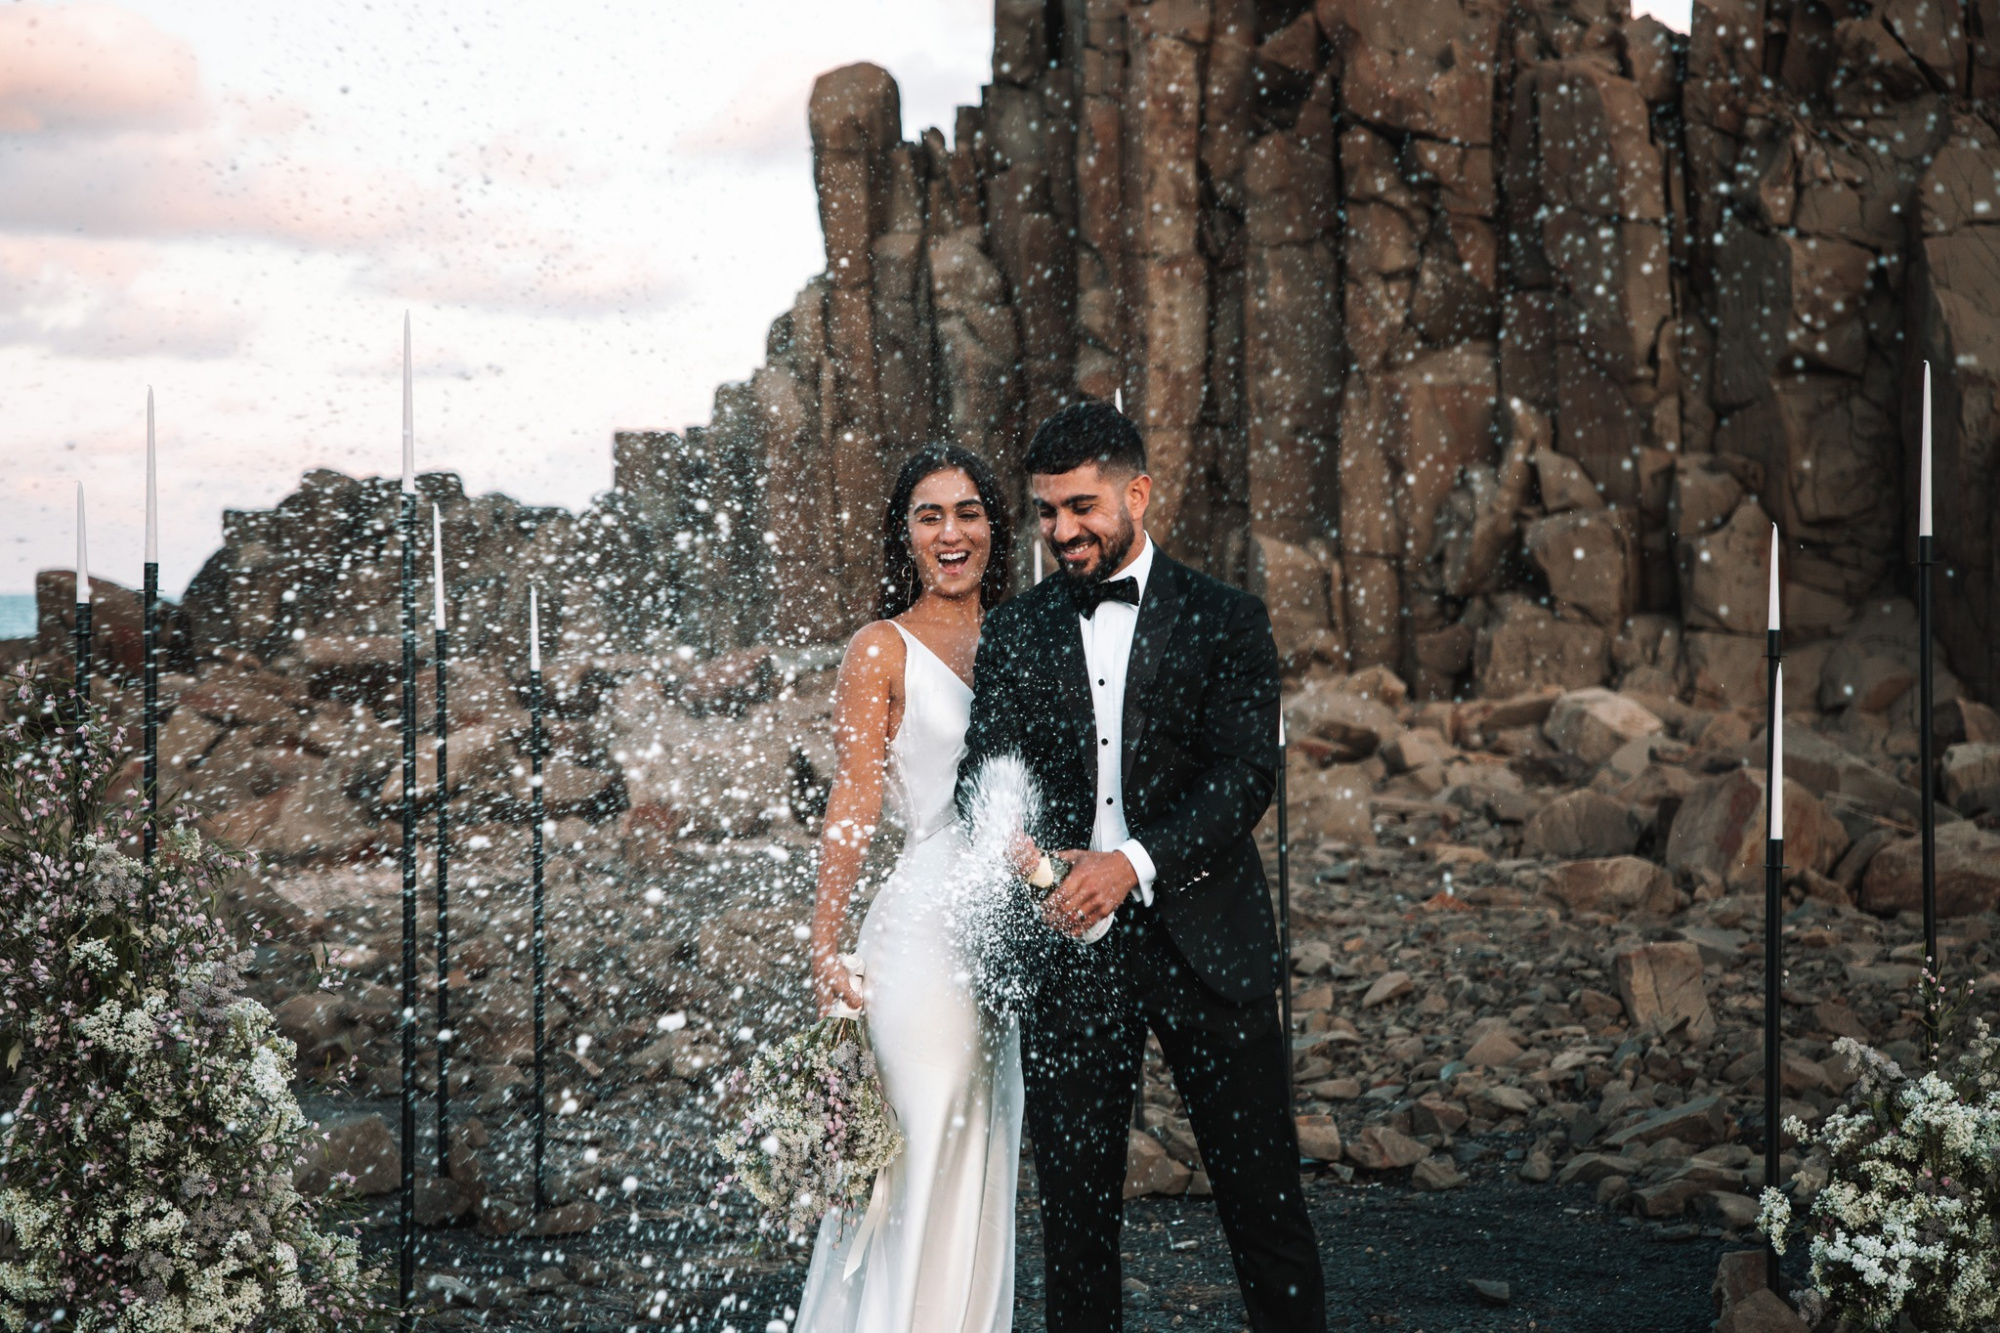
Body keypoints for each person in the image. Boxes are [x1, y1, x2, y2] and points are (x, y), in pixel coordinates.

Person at [955, 400, 1325, 1332]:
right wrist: (1025, 854)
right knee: (1077, 1226)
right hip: (1070, 950)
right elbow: (979, 779)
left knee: (1265, 1207)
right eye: (1046, 512)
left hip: (1211, 942)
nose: (1062, 531)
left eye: (1081, 507)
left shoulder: (1228, 618)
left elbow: (1245, 778)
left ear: (1139, 493)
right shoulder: (1016, 631)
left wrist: (1129, 863)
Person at [794, 444, 1023, 1333]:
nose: (951, 531)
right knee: (914, 1153)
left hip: (1006, 931)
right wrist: (825, 943)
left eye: (968, 511)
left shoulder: (1028, 633)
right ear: (905, 535)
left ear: (993, 529)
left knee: (983, 1153)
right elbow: (852, 801)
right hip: (924, 929)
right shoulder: (879, 648)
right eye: (929, 515)